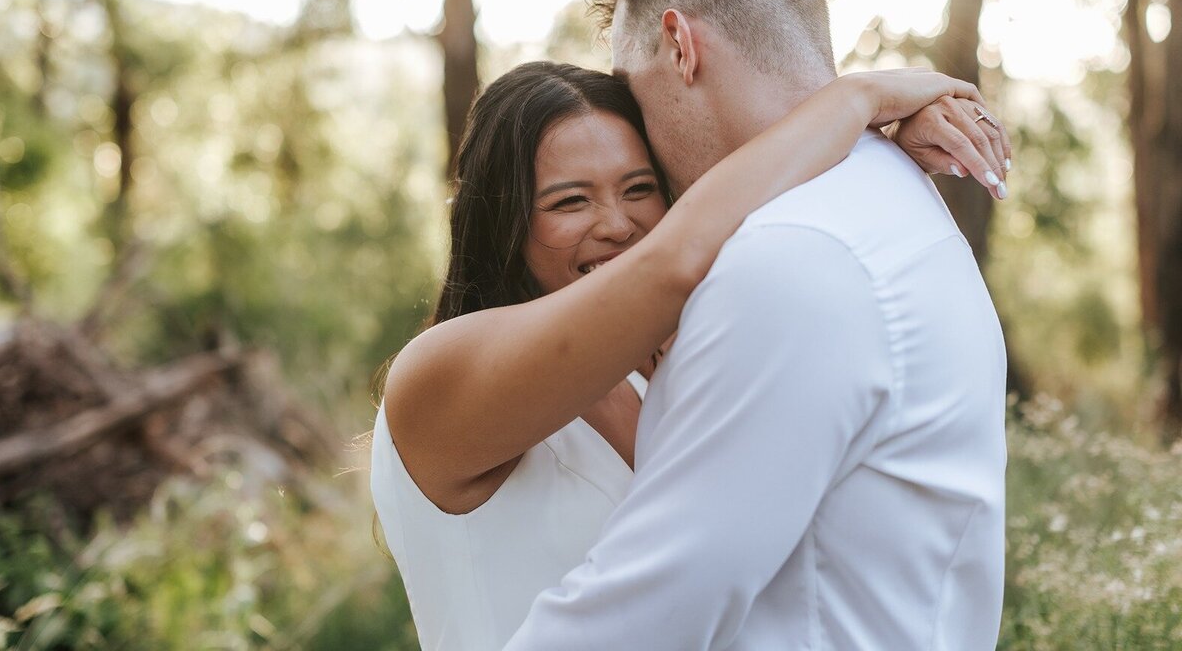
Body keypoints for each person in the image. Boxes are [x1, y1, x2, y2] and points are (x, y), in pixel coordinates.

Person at [504, 0, 1009, 651]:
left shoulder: (791, 258)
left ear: (680, 46)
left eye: (635, 95)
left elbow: (637, 620)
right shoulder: (893, 192)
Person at [371, 64, 1008, 646]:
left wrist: (882, 154)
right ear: (503, 219)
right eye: (570, 200)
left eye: (639, 188)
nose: (618, 224)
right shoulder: (435, 376)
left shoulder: (657, 372)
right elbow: (678, 255)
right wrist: (859, 100)